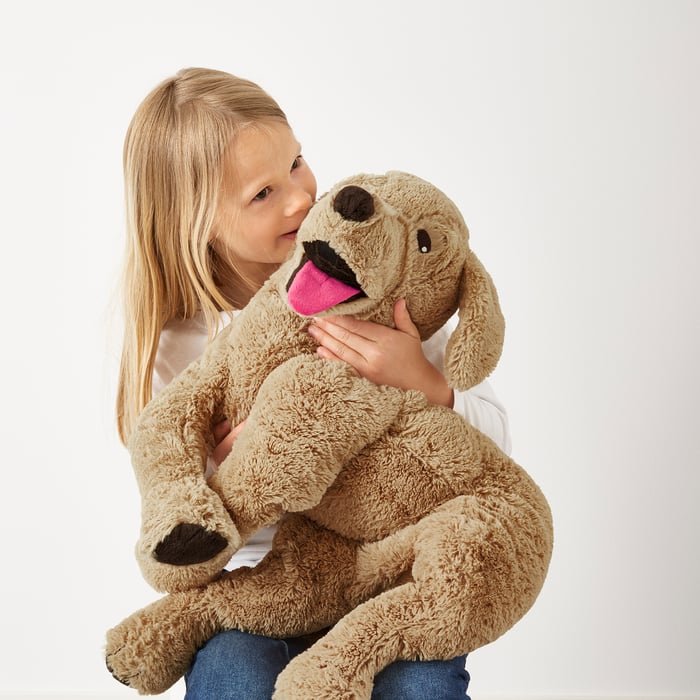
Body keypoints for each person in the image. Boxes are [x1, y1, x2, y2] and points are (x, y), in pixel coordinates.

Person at [116, 67, 511, 700]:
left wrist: (421, 380)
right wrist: (229, 464)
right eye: (262, 193)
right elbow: (173, 494)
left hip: (398, 567)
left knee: (420, 686)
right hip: (262, 576)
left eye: (296, 163)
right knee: (232, 677)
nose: (300, 198)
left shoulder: (385, 288)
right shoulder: (184, 345)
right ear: (199, 223)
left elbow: (496, 449)